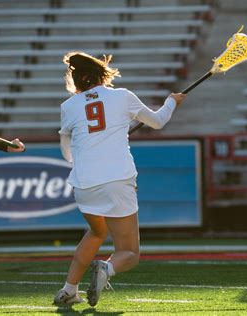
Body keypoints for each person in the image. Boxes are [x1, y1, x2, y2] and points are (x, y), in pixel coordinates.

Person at [53, 51, 186, 306]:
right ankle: (106, 269)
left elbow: (67, 151)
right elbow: (158, 122)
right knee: (129, 253)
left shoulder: (68, 106)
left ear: (77, 80)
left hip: (84, 184)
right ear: (101, 73)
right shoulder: (122, 96)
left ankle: (69, 289)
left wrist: (89, 149)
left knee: (96, 232)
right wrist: (172, 102)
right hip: (116, 180)